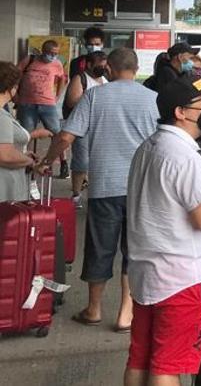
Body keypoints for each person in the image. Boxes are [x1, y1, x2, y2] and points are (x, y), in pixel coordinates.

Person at [124, 76, 201, 385]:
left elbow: (166, 195)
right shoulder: (185, 156)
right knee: (167, 366)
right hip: (181, 280)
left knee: (140, 358)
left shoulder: (149, 147)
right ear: (180, 112)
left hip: (147, 274)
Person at [40, 47, 158, 333]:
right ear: (136, 67)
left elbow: (67, 136)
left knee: (100, 248)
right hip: (141, 189)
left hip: (105, 186)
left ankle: (93, 309)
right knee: (135, 251)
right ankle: (126, 314)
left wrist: (46, 161)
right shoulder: (153, 99)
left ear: (110, 68)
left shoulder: (95, 95)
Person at [0, 61, 51, 202]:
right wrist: (30, 162)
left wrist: (21, 154)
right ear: (13, 88)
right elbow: (5, 155)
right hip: (5, 190)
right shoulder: (1, 116)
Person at [64, 50, 108, 206]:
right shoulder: (80, 78)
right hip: (83, 126)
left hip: (100, 126)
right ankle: (76, 195)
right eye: (99, 65)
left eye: (104, 65)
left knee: (96, 161)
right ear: (89, 64)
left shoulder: (104, 79)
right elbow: (71, 101)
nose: (102, 68)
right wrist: (91, 98)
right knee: (81, 161)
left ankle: (92, 191)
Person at [16, 40, 68, 163]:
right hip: (27, 103)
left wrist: (57, 95)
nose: (53, 56)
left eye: (55, 53)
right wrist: (15, 96)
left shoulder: (57, 63)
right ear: (43, 51)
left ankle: (62, 161)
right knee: (26, 134)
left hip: (48, 104)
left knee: (57, 133)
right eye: (50, 53)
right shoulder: (30, 60)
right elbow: (15, 75)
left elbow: (62, 78)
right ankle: (24, 160)